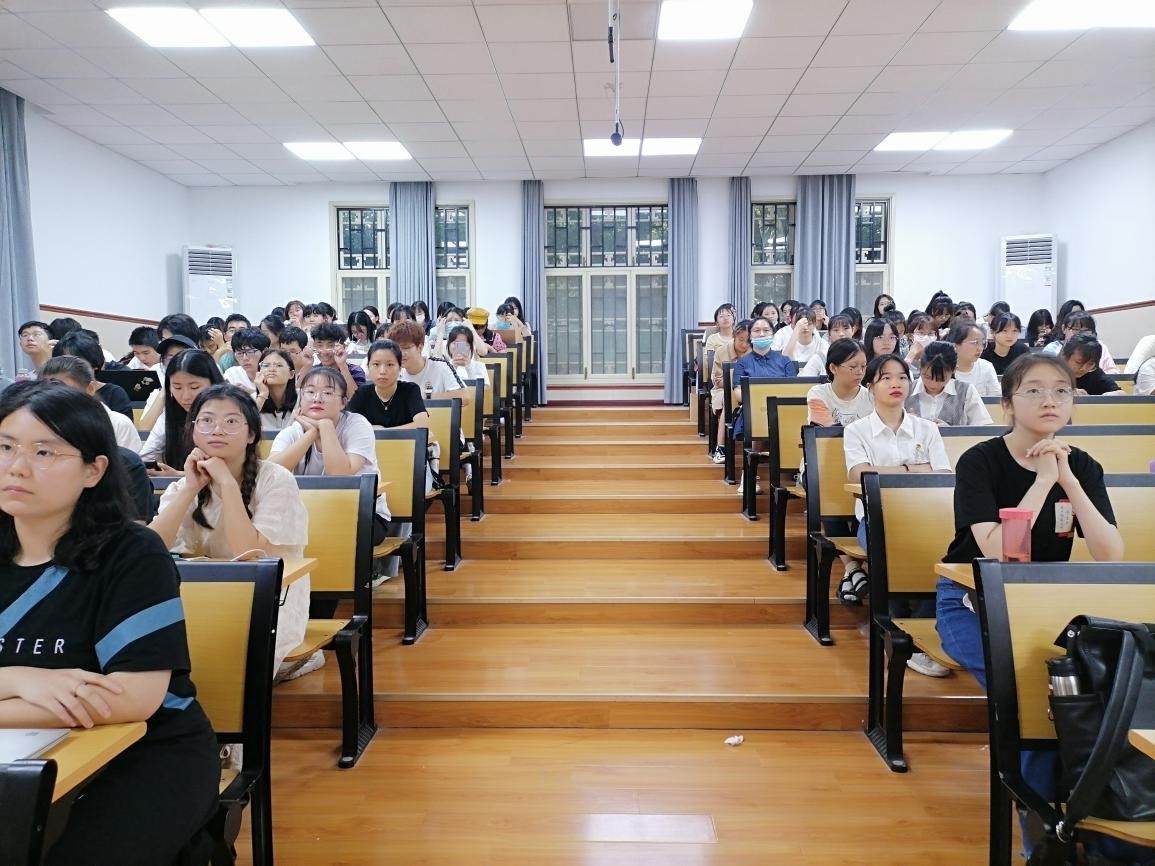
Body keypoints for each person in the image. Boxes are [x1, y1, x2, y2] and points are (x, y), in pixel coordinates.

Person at [0, 380, 219, 864]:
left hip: (145, 749)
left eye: (43, 452)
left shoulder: (133, 554)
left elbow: (132, 698)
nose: (16, 466)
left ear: (93, 470)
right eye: (5, 446)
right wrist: (18, 679)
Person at [935, 354, 1134, 861]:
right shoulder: (980, 462)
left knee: (1102, 698)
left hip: (1048, 608)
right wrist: (1043, 480)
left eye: (1062, 391)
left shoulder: (1081, 465)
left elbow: (1110, 552)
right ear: (1007, 403)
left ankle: (1101, 832)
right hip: (972, 603)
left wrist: (1068, 480)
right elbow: (1002, 550)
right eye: (1035, 390)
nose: (1051, 400)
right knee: (1033, 704)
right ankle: (1042, 847)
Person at [149, 384, 310, 676]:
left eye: (231, 421)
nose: (217, 430)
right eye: (207, 420)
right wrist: (189, 489)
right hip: (199, 595)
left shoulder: (276, 480)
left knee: (221, 670)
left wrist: (226, 484)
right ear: (193, 430)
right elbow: (150, 550)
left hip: (267, 601)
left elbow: (248, 554)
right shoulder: (186, 483)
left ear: (251, 434)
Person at [843, 354, 952, 677]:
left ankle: (924, 636)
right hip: (876, 519)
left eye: (902, 377)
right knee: (894, 550)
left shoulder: (927, 429)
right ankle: (900, 636)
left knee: (942, 551)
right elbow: (860, 474)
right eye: (886, 378)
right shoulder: (857, 430)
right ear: (871, 387)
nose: (896, 383)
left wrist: (886, 473)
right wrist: (910, 469)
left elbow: (942, 475)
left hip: (925, 518)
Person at [140, 349, 224, 474]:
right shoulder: (168, 416)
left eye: (194, 387)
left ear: (213, 383)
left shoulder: (231, 415)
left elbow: (236, 471)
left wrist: (179, 475)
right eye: (177, 387)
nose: (185, 396)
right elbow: (145, 458)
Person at [41, 356, 142, 453]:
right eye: (48, 392)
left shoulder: (117, 423)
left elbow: (127, 463)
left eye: (66, 392)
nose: (56, 399)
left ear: (90, 389)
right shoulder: (38, 423)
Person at [905, 342, 993, 427]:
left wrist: (951, 432)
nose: (933, 384)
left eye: (941, 379)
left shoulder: (966, 391)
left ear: (954, 370)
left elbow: (983, 428)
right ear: (920, 366)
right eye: (927, 377)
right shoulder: (906, 389)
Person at [346, 340, 429, 430]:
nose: (382, 371)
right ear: (368, 367)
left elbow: (422, 424)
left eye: (389, 364)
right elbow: (347, 426)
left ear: (399, 367)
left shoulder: (410, 390)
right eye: (376, 364)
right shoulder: (362, 393)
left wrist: (382, 431)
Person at [52, 331, 133, 419]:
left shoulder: (114, 394)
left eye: (77, 364)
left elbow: (122, 425)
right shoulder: (54, 392)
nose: (70, 369)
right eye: (64, 363)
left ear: (94, 364)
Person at [389, 320, 471, 406]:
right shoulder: (393, 372)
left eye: (406, 348)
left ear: (420, 347)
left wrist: (425, 396)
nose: (401, 353)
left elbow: (464, 396)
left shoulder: (441, 366)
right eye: (397, 348)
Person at [709, 320, 752, 464]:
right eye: (741, 340)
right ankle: (720, 447)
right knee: (728, 400)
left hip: (748, 390)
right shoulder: (722, 351)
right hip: (723, 390)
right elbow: (718, 381)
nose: (744, 344)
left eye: (748, 341)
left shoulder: (755, 352)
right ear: (734, 337)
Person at [806, 338, 872, 427]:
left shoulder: (870, 397)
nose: (860, 372)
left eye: (863, 366)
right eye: (853, 367)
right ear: (833, 368)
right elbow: (823, 432)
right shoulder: (818, 393)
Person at [947, 320, 1000, 397]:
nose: (980, 348)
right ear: (955, 345)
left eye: (982, 343)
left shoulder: (986, 366)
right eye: (975, 343)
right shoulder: (944, 369)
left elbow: (996, 398)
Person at [311, 322, 366, 395]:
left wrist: (342, 365)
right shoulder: (312, 371)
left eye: (330, 345)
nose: (324, 351)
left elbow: (356, 399)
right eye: (319, 345)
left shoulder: (355, 371)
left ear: (343, 346)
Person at [253, 348, 298, 430]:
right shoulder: (251, 399)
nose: (271, 369)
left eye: (279, 365)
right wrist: (263, 394)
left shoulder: (303, 398)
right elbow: (244, 422)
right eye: (266, 365)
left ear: (291, 374)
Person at [223, 327, 270, 394]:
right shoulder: (232, 374)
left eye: (250, 352)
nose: (245, 358)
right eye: (239, 353)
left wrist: (251, 393)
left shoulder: (272, 374)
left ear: (265, 352)